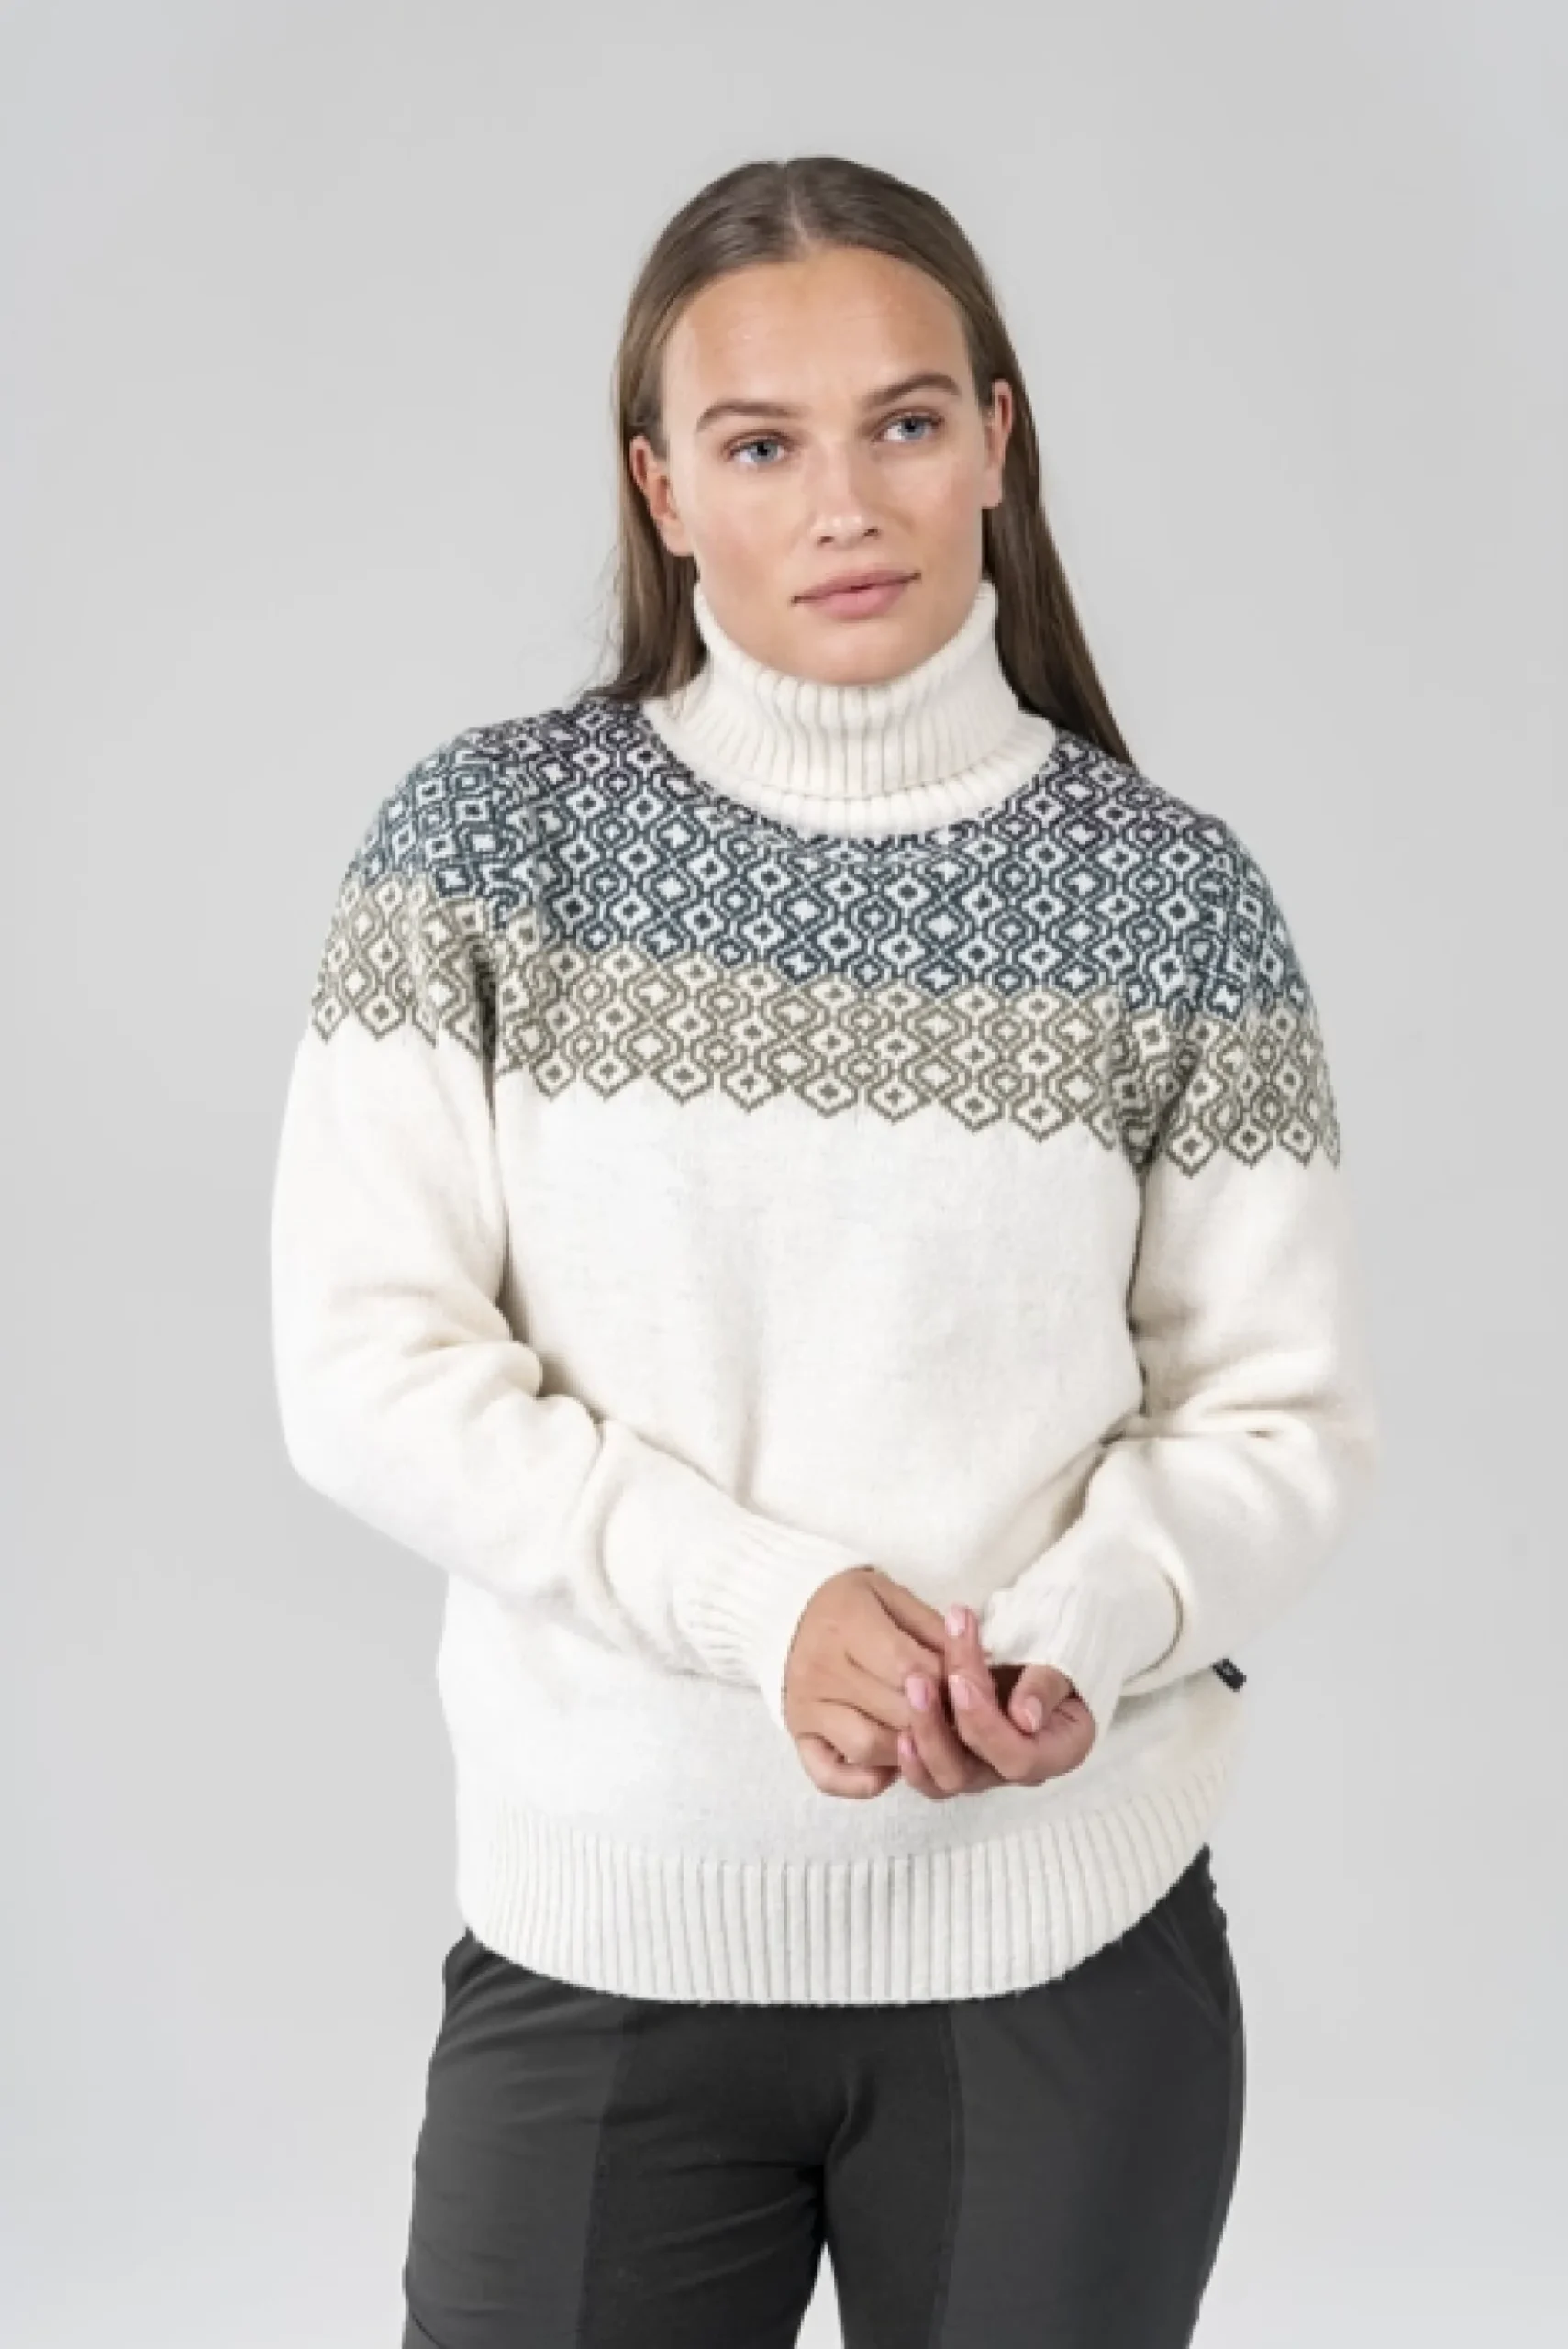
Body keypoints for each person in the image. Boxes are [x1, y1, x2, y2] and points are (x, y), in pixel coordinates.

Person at [268, 152, 1380, 2348]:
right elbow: (369, 1367)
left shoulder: (1168, 901)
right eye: (760, 445)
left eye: (903, 422)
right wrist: (763, 1603)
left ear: (995, 439)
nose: (846, 503)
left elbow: (1274, 1412)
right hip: (603, 1938)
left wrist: (1086, 1625)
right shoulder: (483, 850)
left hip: (1057, 1959)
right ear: (663, 490)